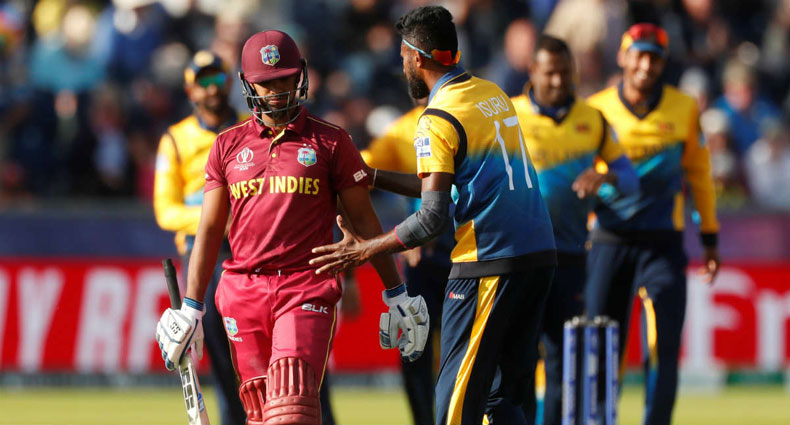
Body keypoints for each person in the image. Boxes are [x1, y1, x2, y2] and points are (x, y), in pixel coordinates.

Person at [155, 30, 429, 425]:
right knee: (259, 412)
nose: (276, 91)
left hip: (306, 287)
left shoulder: (331, 141)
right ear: (248, 84)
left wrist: (396, 293)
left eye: (284, 79)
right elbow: (210, 229)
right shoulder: (227, 146)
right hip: (242, 292)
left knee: (291, 408)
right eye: (266, 83)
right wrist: (191, 308)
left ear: (299, 75)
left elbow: (365, 221)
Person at [310, 6, 557, 425]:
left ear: (417, 57)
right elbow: (456, 182)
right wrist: (375, 177)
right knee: (500, 398)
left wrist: (365, 251)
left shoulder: (437, 118)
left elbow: (432, 219)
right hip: (538, 257)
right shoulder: (491, 93)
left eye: (403, 57)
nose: (402, 66)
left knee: (452, 406)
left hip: (488, 263)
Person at [585, 23, 720, 425]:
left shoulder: (684, 108)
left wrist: (709, 237)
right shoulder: (595, 110)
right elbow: (579, 178)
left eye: (654, 58)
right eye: (639, 56)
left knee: (663, 350)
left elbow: (700, 176)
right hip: (607, 240)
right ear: (623, 57)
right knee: (601, 346)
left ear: (663, 63)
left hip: (662, 244)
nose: (645, 66)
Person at [511, 35, 639, 425]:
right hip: (518, 259)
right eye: (550, 72)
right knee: (516, 362)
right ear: (532, 71)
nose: (558, 81)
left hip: (568, 258)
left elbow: (630, 179)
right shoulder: (507, 116)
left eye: (565, 72)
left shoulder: (592, 119)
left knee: (560, 363)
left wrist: (604, 176)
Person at [152, 50, 246, 425]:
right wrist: (213, 220)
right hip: (202, 254)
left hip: (249, 245)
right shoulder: (175, 140)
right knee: (220, 357)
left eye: (218, 79)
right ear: (190, 90)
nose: (212, 89)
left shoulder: (251, 127)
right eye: (203, 82)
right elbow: (166, 210)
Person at [361, 98, 452, 425]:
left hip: (476, 254)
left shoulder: (472, 117)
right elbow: (359, 171)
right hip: (423, 259)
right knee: (414, 348)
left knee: (473, 353)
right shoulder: (400, 132)